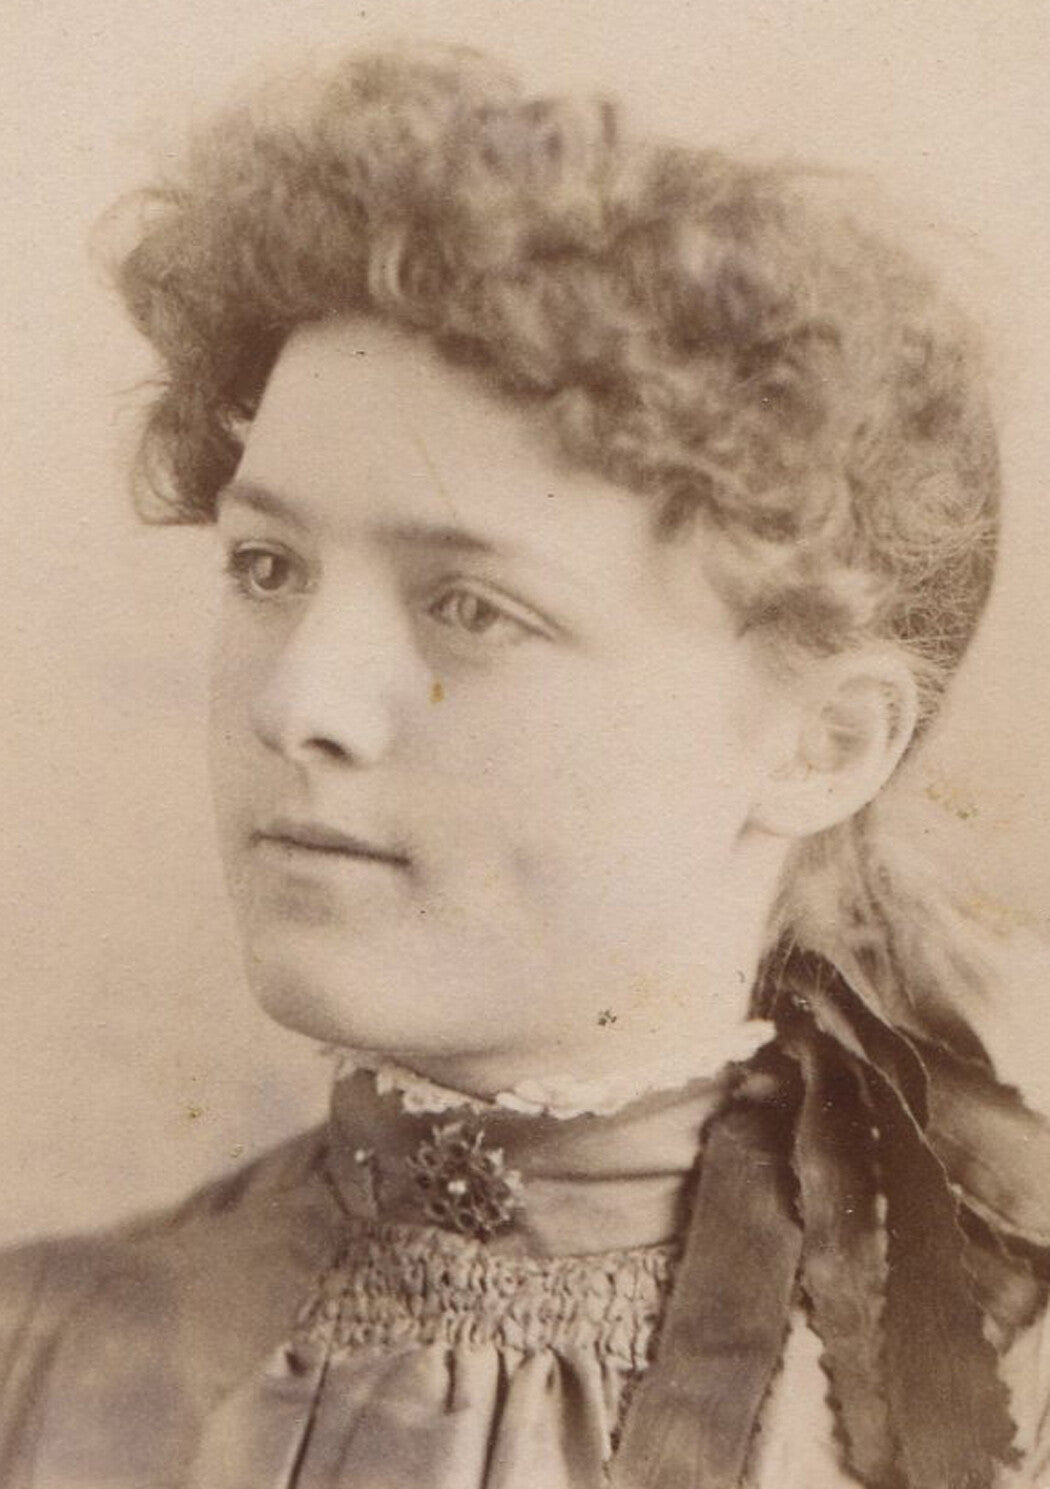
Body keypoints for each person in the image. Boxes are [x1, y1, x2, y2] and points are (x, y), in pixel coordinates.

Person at [1, 41, 1048, 1489]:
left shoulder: (1001, 1405)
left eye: (470, 609)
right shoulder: (36, 1358)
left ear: (823, 744)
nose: (298, 700)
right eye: (265, 564)